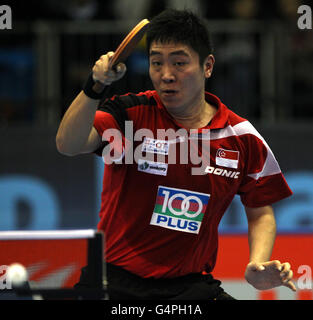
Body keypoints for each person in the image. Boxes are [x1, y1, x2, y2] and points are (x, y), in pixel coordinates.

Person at [56, 9, 296, 300]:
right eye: (156, 63)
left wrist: (256, 263)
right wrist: (94, 87)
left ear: (207, 66)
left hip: (190, 286)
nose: (166, 75)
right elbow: (68, 144)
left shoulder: (241, 137)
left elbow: (260, 210)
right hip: (114, 280)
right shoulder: (129, 115)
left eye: (179, 63)